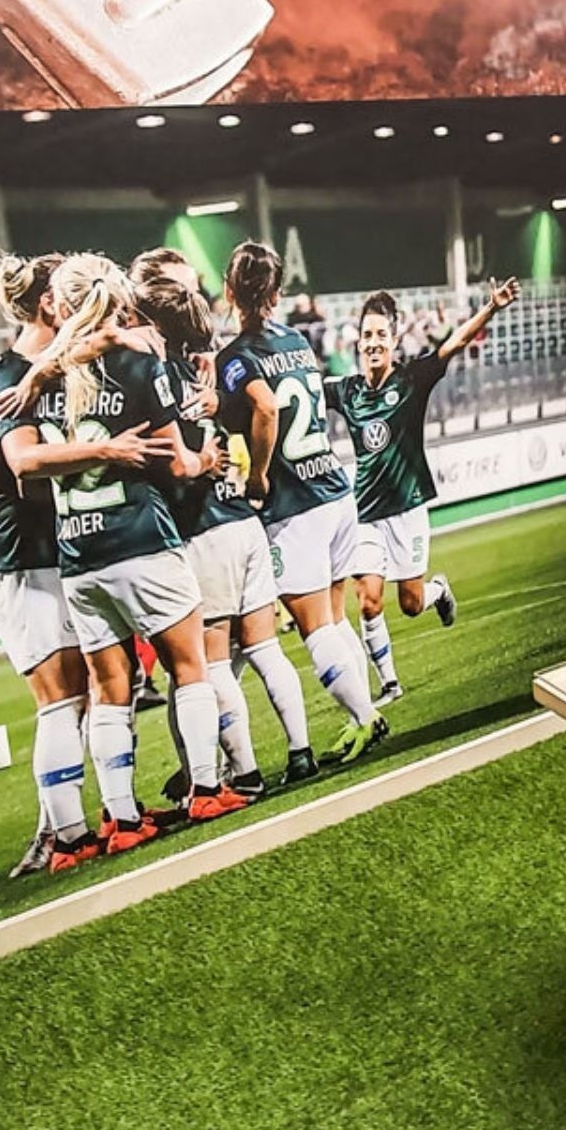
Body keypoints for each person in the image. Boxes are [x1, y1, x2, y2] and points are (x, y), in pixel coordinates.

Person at [2, 255, 250, 858]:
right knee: (190, 667)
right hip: (141, 537)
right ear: (116, 302)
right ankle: (207, 790)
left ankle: (121, 820)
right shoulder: (139, 364)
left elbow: (27, 459)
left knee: (110, 690)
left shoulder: (43, 376)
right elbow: (173, 458)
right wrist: (204, 462)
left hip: (78, 555)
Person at [129, 247, 319, 796]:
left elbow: (174, 461)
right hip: (243, 520)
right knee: (264, 649)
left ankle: (245, 774)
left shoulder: (150, 370)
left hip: (202, 529)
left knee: (206, 665)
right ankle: (299, 753)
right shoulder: (204, 364)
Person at [0, 252, 99, 879]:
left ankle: (54, 827)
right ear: (49, 305)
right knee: (59, 701)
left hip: (54, 554)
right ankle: (64, 835)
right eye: (67, 293)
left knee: (84, 697)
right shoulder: (7, 376)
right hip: (22, 559)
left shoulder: (41, 372)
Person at [217, 240, 386, 765]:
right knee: (334, 620)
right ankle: (361, 716)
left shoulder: (236, 357)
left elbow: (265, 410)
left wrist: (260, 476)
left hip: (296, 506)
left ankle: (367, 717)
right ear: (278, 290)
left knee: (315, 628)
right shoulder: (297, 340)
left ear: (229, 290)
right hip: (334, 488)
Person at [327, 278, 519, 703]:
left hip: (408, 509)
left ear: (394, 340)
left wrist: (490, 308)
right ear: (357, 342)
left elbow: (452, 343)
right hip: (366, 514)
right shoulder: (346, 391)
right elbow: (300, 391)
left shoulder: (412, 379)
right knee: (369, 601)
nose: (373, 343)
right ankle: (390, 684)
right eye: (366, 336)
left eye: (381, 335)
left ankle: (438, 590)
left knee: (411, 603)